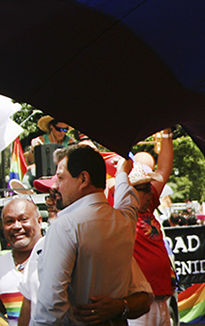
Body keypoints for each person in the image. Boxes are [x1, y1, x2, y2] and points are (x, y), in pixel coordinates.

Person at [32, 145, 153, 326]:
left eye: (61, 177)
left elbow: (51, 306)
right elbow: (129, 200)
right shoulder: (124, 221)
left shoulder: (65, 227)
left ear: (83, 179)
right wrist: (122, 172)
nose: (56, 186)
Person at [125, 131, 175, 326]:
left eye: (148, 187)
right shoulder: (121, 213)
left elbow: (163, 170)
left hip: (161, 295)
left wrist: (167, 135)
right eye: (143, 188)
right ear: (128, 191)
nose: (149, 191)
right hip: (139, 300)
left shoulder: (150, 204)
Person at [0, 197, 43, 326]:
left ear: (39, 221)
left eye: (23, 219)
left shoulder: (57, 256)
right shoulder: (1, 266)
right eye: (9, 221)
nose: (17, 226)